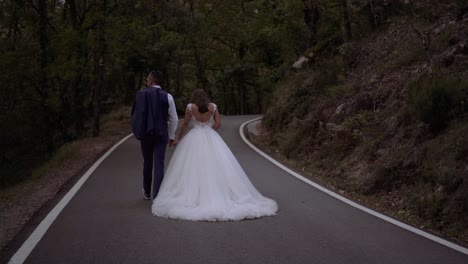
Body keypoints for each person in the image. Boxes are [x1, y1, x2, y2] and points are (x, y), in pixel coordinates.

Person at [152, 89, 278, 221]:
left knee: (191, 168)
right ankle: (218, 194)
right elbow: (218, 124)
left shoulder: (190, 107)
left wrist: (178, 138)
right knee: (217, 166)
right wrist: (208, 129)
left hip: (194, 138)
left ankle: (195, 195)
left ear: (194, 97)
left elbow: (184, 124)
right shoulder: (213, 107)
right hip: (211, 137)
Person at [131, 70, 178, 200]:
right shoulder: (168, 96)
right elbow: (174, 118)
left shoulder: (141, 94)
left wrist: (138, 131)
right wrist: (172, 135)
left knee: (147, 162)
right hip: (161, 133)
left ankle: (146, 191)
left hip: (146, 134)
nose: (146, 82)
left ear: (151, 81)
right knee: (159, 163)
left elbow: (136, 116)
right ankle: (157, 195)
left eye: (147, 79)